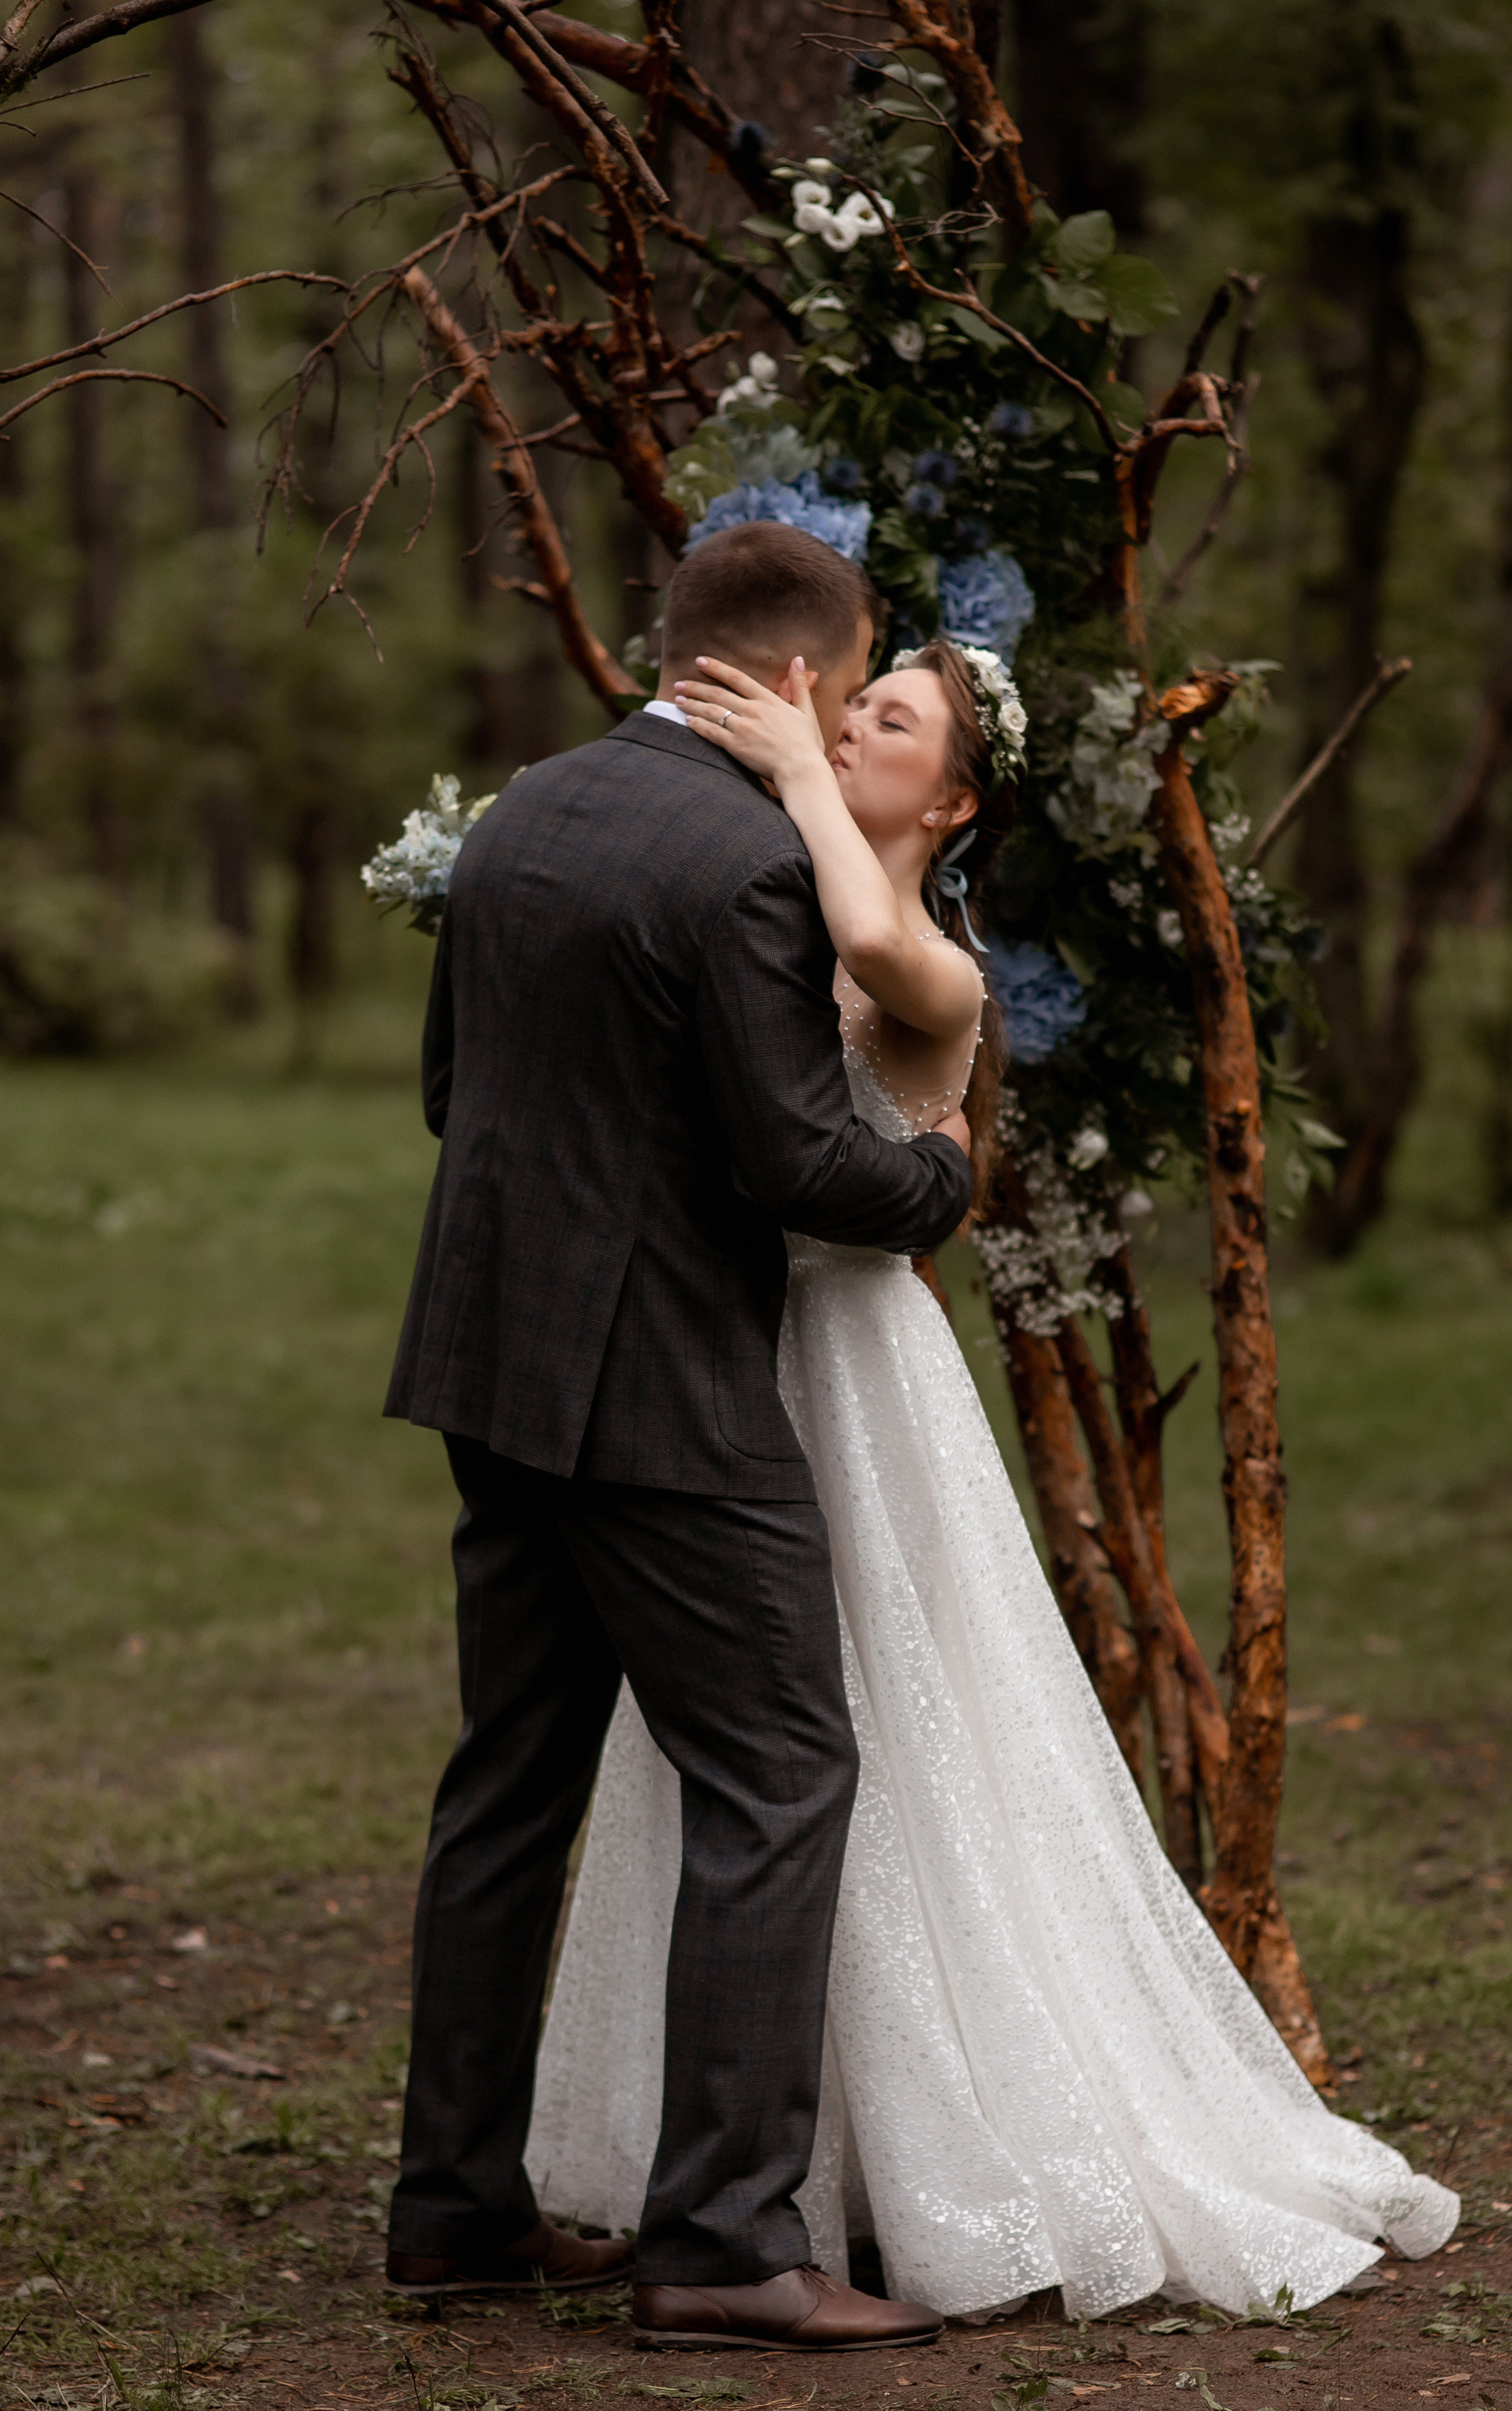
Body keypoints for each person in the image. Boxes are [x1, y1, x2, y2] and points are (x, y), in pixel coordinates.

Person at [526, 636, 1461, 2324]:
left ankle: (930, 2143)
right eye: (848, 704)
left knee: (894, 1729)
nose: (842, 724)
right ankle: (776, 2156)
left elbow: (877, 957)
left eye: (884, 718)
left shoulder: (930, 955)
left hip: (857, 1371)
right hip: (718, 1358)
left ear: (950, 798)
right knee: (749, 1757)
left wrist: (798, 773)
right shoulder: (758, 899)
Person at [382, 520, 976, 2353]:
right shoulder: (748, 870)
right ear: (804, 678)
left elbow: (444, 1093)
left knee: (506, 1789)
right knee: (784, 1775)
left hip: (489, 1366)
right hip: (662, 1399)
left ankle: (454, 2214)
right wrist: (939, 1172)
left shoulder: (524, 815)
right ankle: (722, 2239)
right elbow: (802, 1162)